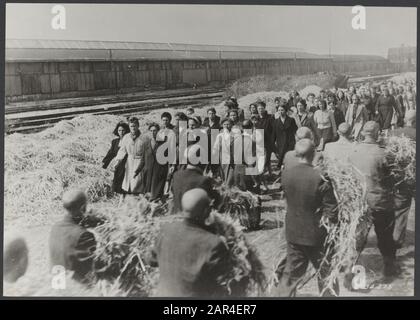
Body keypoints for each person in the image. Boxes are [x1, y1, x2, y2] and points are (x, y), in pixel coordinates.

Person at [277, 139, 339, 297]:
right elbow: (331, 209)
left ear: (297, 154)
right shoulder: (321, 177)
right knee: (326, 274)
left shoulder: (285, 174)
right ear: (313, 154)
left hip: (293, 231)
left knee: (290, 275)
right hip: (317, 235)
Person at [148, 188, 229, 297]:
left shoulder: (165, 231)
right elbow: (224, 278)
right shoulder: (214, 243)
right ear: (206, 211)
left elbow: (150, 260)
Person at [348, 121, 399, 278]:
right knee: (385, 238)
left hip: (360, 202)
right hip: (380, 202)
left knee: (357, 241)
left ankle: (351, 276)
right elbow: (392, 178)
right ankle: (388, 271)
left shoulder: (353, 151)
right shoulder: (384, 153)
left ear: (363, 133)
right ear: (377, 134)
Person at [49, 190, 96, 284]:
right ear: (83, 207)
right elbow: (93, 267)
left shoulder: (55, 227)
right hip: (79, 286)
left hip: (58, 281)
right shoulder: (84, 235)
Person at [390, 110, 416, 249]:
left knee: (400, 210)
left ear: (405, 119)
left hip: (401, 178)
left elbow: (389, 157)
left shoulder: (395, 134)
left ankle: (397, 240)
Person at [171, 144, 220, 214]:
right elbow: (216, 204)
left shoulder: (176, 176)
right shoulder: (204, 181)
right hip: (193, 223)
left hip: (176, 219)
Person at [134, 123, 168, 202]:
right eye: (151, 131)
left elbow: (167, 160)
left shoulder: (164, 144)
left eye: (155, 131)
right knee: (147, 194)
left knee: (157, 194)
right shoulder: (146, 144)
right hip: (148, 172)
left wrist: (166, 173)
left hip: (158, 173)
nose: (153, 133)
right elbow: (143, 159)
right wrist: (137, 171)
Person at [113, 117, 143, 195]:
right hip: (130, 162)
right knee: (129, 183)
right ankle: (130, 201)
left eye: (135, 126)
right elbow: (122, 150)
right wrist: (118, 161)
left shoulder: (143, 137)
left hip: (139, 161)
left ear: (138, 126)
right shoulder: (126, 137)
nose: (133, 128)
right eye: (131, 126)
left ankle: (138, 200)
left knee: (137, 183)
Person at [102, 121, 130, 195]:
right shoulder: (115, 142)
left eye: (123, 130)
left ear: (126, 131)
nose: (121, 132)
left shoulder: (129, 140)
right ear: (117, 131)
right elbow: (111, 153)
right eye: (119, 130)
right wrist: (104, 164)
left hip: (127, 164)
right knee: (117, 181)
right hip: (118, 164)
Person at [212, 118, 237, 186]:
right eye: (224, 124)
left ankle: (229, 188)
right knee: (224, 176)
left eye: (228, 124)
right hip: (222, 159)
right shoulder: (219, 136)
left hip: (233, 160)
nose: (226, 126)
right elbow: (215, 147)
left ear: (232, 125)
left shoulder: (235, 135)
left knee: (231, 176)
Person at [255, 101, 275, 173]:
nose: (260, 110)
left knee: (267, 158)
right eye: (259, 108)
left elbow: (273, 129)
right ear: (257, 109)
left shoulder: (270, 117)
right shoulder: (256, 118)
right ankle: (266, 172)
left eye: (262, 108)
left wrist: (273, 140)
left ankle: (269, 172)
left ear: (264, 108)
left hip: (268, 140)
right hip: (259, 141)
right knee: (261, 157)